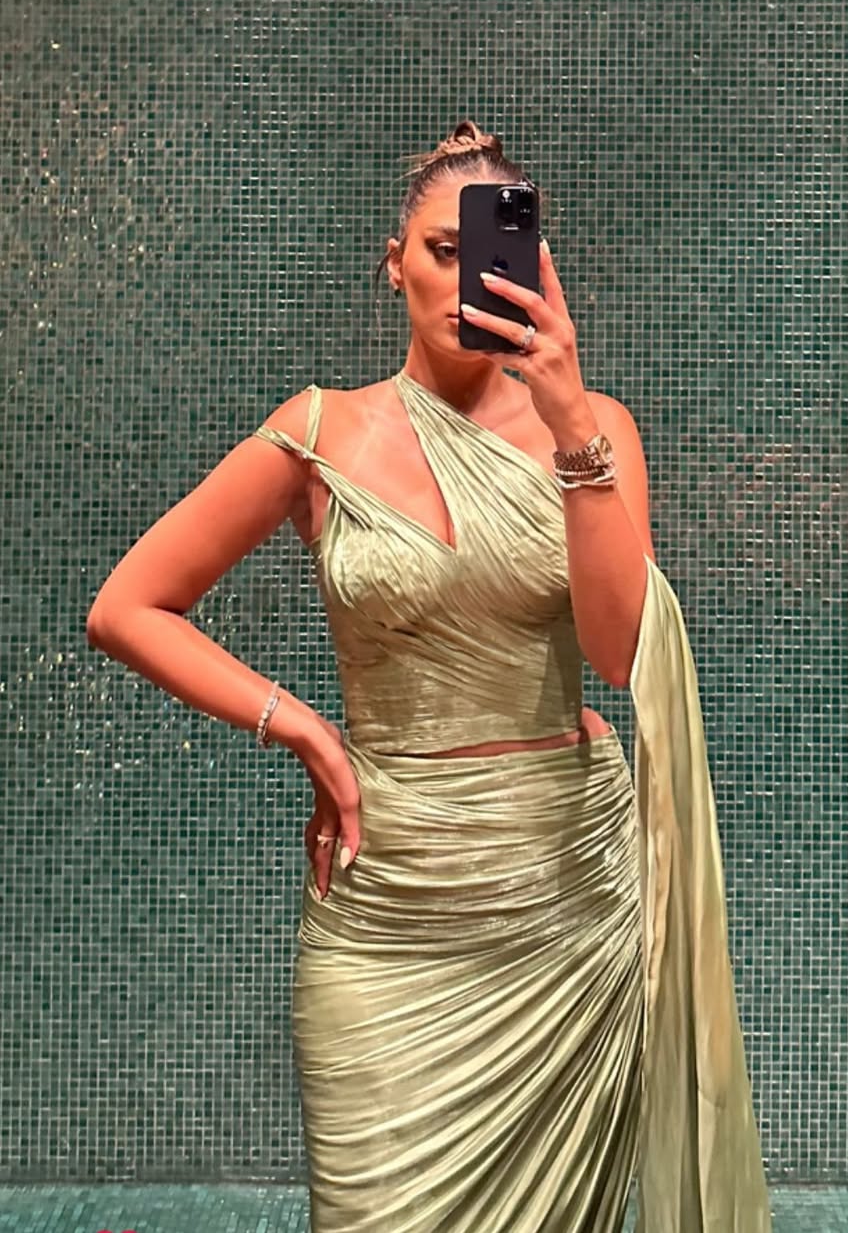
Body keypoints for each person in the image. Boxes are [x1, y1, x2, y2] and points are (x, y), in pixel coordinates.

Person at [86, 120, 772, 1232]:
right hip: (388, 898)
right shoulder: (318, 433)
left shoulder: (596, 433)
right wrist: (303, 728)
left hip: (563, 900)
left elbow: (617, 654)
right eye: (441, 252)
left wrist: (568, 417)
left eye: (493, 253)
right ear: (394, 262)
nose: (464, 278)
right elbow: (126, 608)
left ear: (534, 268)